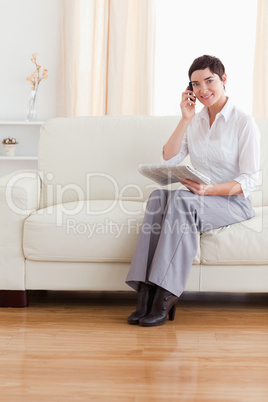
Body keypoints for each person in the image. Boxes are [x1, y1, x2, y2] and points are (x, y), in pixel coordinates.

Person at [125, 55, 260, 327]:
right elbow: (169, 159)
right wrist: (185, 119)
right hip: (200, 199)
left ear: (223, 80)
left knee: (183, 202)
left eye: (209, 81)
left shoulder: (243, 122)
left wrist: (209, 190)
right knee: (158, 197)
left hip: (232, 202)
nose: (203, 90)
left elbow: (250, 180)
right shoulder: (195, 122)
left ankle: (166, 294)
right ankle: (145, 293)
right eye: (196, 84)